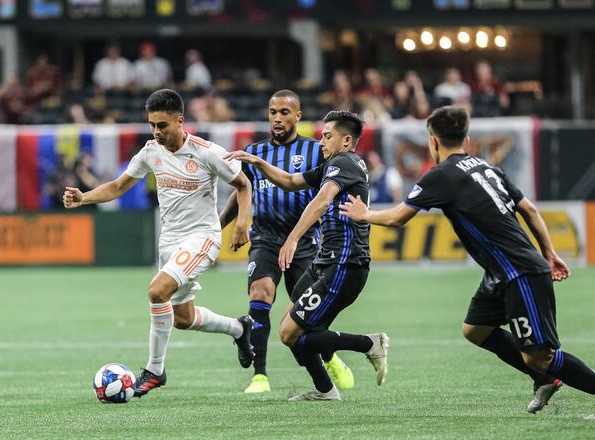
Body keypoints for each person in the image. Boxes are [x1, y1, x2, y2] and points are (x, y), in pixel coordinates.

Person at [341, 106, 594, 413]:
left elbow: (397, 218)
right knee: (476, 329)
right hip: (500, 273)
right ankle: (543, 379)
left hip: (518, 272)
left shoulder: (441, 175)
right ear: (467, 137)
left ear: (433, 141)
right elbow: (529, 209)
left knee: (538, 355)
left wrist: (364, 214)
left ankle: (548, 373)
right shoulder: (486, 167)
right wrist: (549, 251)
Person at [63, 89, 254, 398]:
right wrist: (84, 198)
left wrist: (242, 222)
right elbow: (118, 185)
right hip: (170, 241)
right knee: (183, 319)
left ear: (180, 121)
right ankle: (239, 328)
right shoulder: (151, 151)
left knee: (156, 291)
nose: (156, 131)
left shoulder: (207, 152)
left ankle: (155, 370)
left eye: (162, 125)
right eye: (152, 124)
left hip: (202, 237)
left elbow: (243, 184)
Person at [227, 110, 389, 401]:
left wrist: (291, 239)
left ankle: (369, 344)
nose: (322, 141)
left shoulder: (346, 162)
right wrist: (259, 162)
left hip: (344, 263)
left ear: (347, 140)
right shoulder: (332, 165)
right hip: (326, 261)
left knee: (295, 332)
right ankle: (326, 390)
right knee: (289, 331)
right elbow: (290, 181)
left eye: (328, 136)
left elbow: (322, 200)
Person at [219, 90, 355, 394]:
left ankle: (330, 358)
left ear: (298, 116)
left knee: (305, 316)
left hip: (305, 242)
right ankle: (260, 376)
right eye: (272, 112)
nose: (277, 118)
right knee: (261, 292)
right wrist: (219, 227)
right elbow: (242, 190)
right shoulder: (255, 152)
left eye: (284, 112)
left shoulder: (316, 151)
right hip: (265, 238)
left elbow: (327, 192)